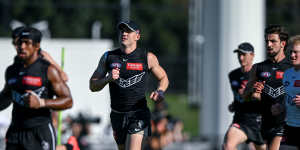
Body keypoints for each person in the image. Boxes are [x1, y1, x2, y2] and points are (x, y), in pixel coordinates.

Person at [89, 20, 169, 150]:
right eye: (122, 30)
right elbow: (92, 85)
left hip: (138, 114)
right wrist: (107, 79)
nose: (124, 33)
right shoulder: (108, 57)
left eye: (128, 31)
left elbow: (163, 78)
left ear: (137, 36)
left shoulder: (147, 58)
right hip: (117, 115)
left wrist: (160, 91)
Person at [0, 27, 73, 150]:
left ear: (37, 46)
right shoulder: (11, 70)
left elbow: (68, 100)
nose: (21, 46)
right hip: (16, 132)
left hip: (40, 132)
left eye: (26, 43)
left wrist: (41, 102)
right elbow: (6, 96)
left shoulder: (47, 69)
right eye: (18, 43)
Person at [244, 25, 291, 150]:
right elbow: (246, 96)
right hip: (263, 124)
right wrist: (253, 92)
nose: (269, 45)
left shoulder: (292, 68)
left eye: (273, 41)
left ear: (283, 43)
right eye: (267, 41)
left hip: (283, 124)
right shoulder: (258, 68)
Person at [223, 42, 266, 150]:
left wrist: (250, 94)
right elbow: (238, 97)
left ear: (252, 55)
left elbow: (267, 99)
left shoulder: (260, 74)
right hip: (241, 121)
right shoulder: (233, 75)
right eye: (239, 55)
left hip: (259, 122)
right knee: (228, 146)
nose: (241, 58)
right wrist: (235, 104)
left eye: (244, 55)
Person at [281, 35, 300, 149]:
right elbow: (286, 99)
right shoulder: (287, 73)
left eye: (296, 52)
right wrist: (279, 107)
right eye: (291, 52)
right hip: (290, 127)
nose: (292, 55)